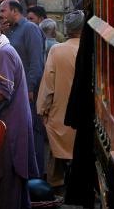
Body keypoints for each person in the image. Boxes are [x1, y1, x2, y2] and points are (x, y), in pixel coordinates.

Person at [0, 14, 39, 209]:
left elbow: (2, 92)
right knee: (15, 186)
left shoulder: (4, 53)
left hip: (10, 126)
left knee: (8, 183)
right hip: (11, 122)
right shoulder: (3, 51)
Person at [36, 10, 84, 192]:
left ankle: (55, 184)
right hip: (85, 115)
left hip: (60, 114)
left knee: (56, 153)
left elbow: (48, 84)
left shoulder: (57, 50)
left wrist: (43, 109)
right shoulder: (92, 50)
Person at [0, 0, 46, 176]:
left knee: (34, 132)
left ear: (15, 11)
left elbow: (36, 62)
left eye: (3, 11)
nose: (1, 15)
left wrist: (30, 89)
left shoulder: (30, 29)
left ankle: (36, 175)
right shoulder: (11, 31)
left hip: (28, 93)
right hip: (17, 93)